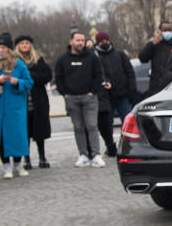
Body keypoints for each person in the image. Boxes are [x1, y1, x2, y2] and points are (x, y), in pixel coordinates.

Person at [0, 32, 33, 179]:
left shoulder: (18, 64)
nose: (1, 50)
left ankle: (18, 165)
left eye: (4, 47)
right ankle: (6, 166)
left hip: (14, 108)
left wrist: (18, 83)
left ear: (9, 49)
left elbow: (29, 82)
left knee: (17, 136)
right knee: (1, 137)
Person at [55, 31, 105, 167]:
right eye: (77, 40)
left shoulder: (92, 57)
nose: (80, 43)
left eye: (82, 40)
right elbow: (58, 78)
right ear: (71, 41)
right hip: (71, 98)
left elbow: (99, 74)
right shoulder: (63, 60)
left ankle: (96, 154)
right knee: (78, 127)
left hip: (89, 97)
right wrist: (64, 93)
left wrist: (93, 91)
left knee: (92, 126)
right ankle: (83, 154)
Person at [94, 31, 137, 157]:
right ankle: (110, 146)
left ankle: (129, 145)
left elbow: (129, 72)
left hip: (122, 94)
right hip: (107, 97)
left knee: (127, 121)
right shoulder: (96, 57)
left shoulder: (120, 54)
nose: (105, 43)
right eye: (102, 41)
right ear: (98, 43)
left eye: (106, 40)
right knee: (107, 124)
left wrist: (131, 90)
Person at [14, 35, 52, 169]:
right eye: (22, 43)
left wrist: (30, 77)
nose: (25, 45)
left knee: (39, 132)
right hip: (21, 101)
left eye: (27, 43)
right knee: (25, 132)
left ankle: (42, 157)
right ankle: (27, 159)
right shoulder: (14, 61)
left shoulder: (38, 60)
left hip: (38, 100)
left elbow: (47, 76)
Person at [138, 22, 172, 95]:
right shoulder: (155, 45)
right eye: (165, 30)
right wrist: (152, 44)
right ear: (160, 31)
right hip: (156, 86)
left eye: (169, 30)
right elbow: (142, 58)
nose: (167, 32)